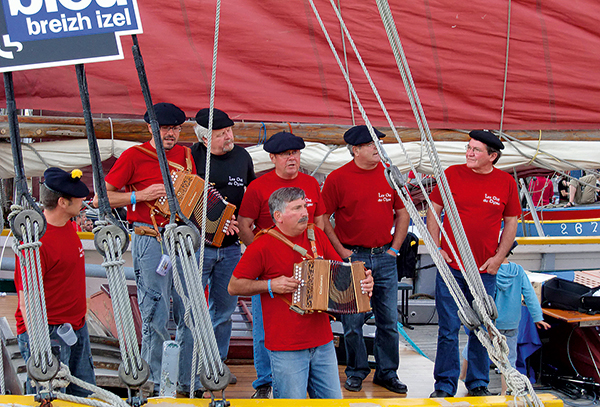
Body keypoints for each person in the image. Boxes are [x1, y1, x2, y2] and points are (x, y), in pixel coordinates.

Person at [229, 187, 373, 399]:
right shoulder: (262, 245)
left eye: (305, 206)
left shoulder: (317, 235)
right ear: (278, 216)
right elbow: (234, 286)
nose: (305, 212)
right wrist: (270, 285)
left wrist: (364, 282)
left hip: (322, 341)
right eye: (296, 208)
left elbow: (342, 273)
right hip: (286, 346)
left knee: (333, 405)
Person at [102, 102, 198, 396]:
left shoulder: (186, 155)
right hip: (150, 240)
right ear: (151, 128)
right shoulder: (133, 156)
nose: (171, 133)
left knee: (189, 313)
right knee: (154, 312)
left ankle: (185, 382)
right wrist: (139, 195)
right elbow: (102, 198)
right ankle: (154, 383)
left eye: (176, 128)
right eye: (165, 128)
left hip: (182, 240)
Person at [426, 130, 521, 398]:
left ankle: (477, 383)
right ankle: (444, 385)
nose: (469, 153)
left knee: (482, 328)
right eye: (468, 148)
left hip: (484, 271)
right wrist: (436, 248)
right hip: (451, 269)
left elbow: (511, 221)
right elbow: (434, 209)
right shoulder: (452, 175)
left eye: (476, 150)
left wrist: (499, 258)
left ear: (492, 156)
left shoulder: (505, 183)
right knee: (448, 329)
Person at [321, 125, 410, 394]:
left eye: (379, 143)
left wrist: (394, 249)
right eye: (371, 144)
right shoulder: (338, 179)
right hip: (353, 258)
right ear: (355, 149)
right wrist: (341, 252)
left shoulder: (389, 175)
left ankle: (387, 373)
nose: (377, 148)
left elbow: (403, 213)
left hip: (384, 256)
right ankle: (357, 370)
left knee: (388, 321)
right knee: (352, 322)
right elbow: (323, 218)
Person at [237, 131, 326, 398]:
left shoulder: (311, 183)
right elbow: (244, 225)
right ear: (273, 157)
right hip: (272, 272)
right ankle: (265, 382)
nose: (292, 158)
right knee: (264, 328)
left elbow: (319, 221)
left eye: (296, 153)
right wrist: (261, 258)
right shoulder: (258, 187)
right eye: (286, 154)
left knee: (314, 320)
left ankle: (307, 378)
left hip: (310, 269)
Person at [15, 167, 95, 396]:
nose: (83, 200)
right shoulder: (36, 243)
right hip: (49, 336)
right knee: (50, 397)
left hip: (76, 329)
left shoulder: (68, 226)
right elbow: (26, 303)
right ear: (62, 202)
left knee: (84, 396)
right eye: (78, 197)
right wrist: (40, 351)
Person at [190, 108, 256, 379]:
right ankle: (191, 369)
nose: (229, 137)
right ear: (206, 139)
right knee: (191, 312)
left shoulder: (242, 156)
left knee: (225, 310)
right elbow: (184, 199)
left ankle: (216, 365)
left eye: (230, 131)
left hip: (230, 249)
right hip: (198, 247)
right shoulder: (192, 157)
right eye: (221, 134)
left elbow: (252, 196)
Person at [459, 241, 551, 395]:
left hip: (491, 322)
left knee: (473, 347)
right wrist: (537, 317)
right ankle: (504, 392)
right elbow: (529, 295)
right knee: (509, 359)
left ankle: (462, 376)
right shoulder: (519, 271)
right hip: (511, 322)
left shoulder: (489, 269)